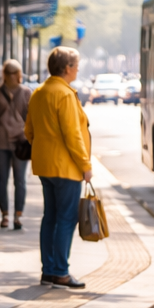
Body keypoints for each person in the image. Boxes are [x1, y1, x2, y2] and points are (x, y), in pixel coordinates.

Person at [24, 46, 92, 288]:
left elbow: (29, 130)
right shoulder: (65, 95)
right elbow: (73, 135)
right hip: (67, 167)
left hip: (44, 165)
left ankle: (48, 270)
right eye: (75, 65)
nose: (77, 69)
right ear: (66, 68)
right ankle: (61, 272)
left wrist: (43, 147)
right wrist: (85, 164)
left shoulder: (39, 92)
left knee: (50, 217)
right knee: (65, 218)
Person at [0, 59, 33, 230]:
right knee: (19, 180)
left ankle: (6, 215)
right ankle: (17, 216)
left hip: (2, 140)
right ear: (20, 75)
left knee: (3, 180)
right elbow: (31, 119)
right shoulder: (26, 92)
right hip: (19, 140)